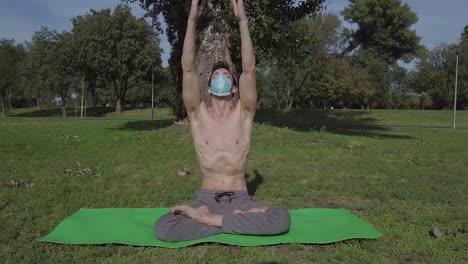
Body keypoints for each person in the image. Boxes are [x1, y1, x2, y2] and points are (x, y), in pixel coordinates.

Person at [154, 0, 291, 242]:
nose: (220, 78)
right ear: (207, 87)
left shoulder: (244, 114)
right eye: (215, 75)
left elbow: (249, 68)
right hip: (206, 198)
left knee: (282, 219)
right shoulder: (198, 114)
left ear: (235, 88)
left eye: (226, 75)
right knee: (164, 227)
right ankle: (234, 223)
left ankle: (207, 221)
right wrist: (192, 20)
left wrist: (243, 21)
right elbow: (187, 68)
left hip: (240, 198)